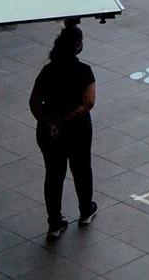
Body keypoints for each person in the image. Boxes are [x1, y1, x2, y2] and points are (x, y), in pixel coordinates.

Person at [29, 21, 97, 243]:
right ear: (77, 45)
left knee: (54, 174)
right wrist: (64, 120)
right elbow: (88, 103)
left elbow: (35, 101)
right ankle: (86, 210)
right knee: (81, 169)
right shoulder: (84, 72)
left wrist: (49, 122)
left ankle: (54, 223)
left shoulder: (47, 71)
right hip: (77, 131)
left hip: (49, 133)